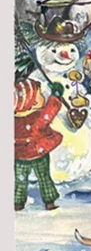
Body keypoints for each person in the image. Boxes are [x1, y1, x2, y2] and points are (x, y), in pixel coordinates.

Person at [14, 79, 63, 211]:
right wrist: (56, 96)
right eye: (40, 95)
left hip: (19, 156)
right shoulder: (36, 118)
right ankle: (49, 201)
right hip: (38, 153)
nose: (43, 97)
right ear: (33, 103)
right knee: (44, 177)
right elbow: (50, 111)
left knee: (20, 180)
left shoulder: (13, 121)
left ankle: (18, 202)